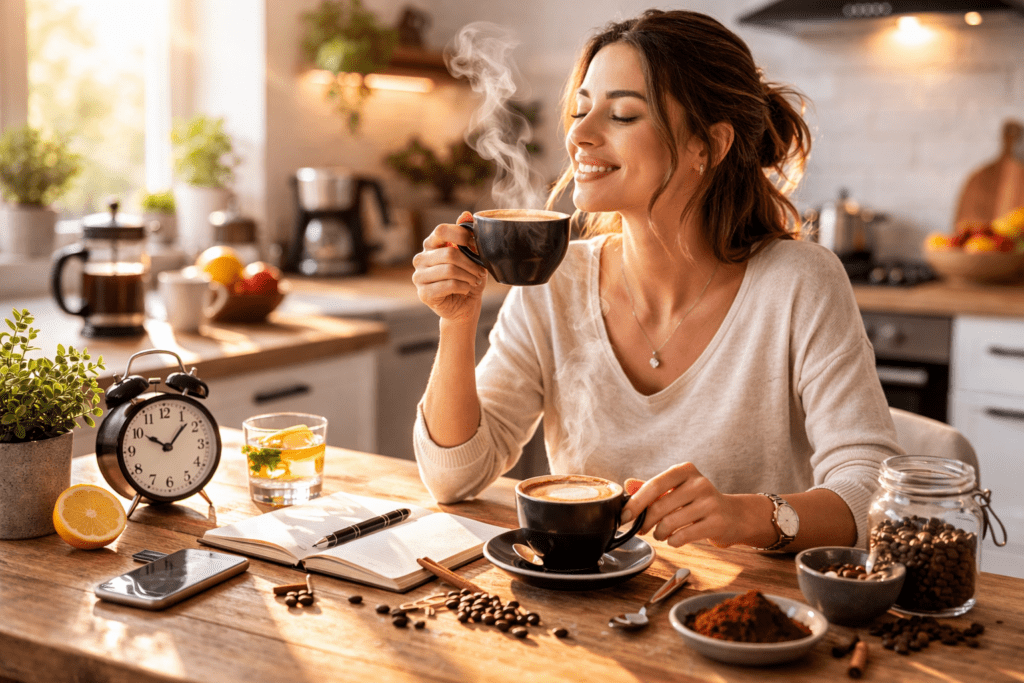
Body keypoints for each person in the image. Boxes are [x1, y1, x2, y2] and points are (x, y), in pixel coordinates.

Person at [410, 9, 901, 553]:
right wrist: (456, 322)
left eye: (621, 115)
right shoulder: (556, 280)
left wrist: (741, 517)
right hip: (589, 610)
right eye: (580, 110)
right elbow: (453, 478)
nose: (580, 135)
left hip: (741, 613)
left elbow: (873, 493)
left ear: (708, 146)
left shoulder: (799, 283)